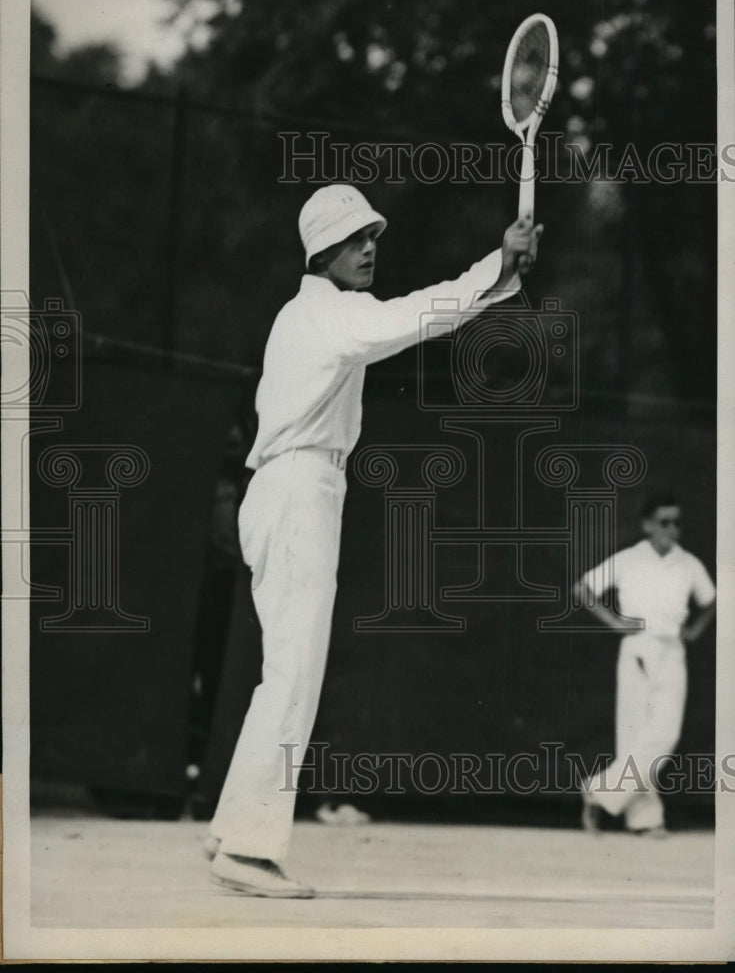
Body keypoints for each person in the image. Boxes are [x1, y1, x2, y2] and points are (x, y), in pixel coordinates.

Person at [207, 184, 543, 896]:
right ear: (321, 249)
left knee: (284, 675)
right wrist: (496, 264)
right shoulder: (327, 313)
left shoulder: (312, 314)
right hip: (298, 492)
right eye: (355, 237)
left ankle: (233, 830)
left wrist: (503, 274)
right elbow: (412, 320)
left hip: (290, 492)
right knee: (293, 675)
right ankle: (244, 850)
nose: (369, 248)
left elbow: (423, 321)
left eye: (372, 236)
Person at [575, 492, 716, 837]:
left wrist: (695, 628)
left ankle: (600, 790)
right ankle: (645, 819)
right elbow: (583, 588)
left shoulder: (688, 563)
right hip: (639, 645)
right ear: (648, 524)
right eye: (664, 522)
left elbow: (712, 600)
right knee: (635, 734)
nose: (672, 529)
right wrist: (614, 623)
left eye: (677, 522)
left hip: (672, 650)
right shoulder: (629, 559)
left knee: (664, 734)